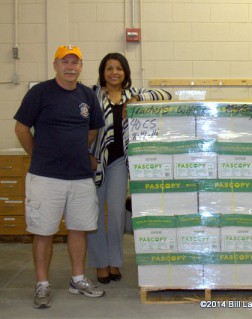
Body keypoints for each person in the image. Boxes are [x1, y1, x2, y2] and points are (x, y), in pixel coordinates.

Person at [14, 45, 106, 309]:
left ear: (81, 66)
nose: (70, 67)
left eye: (74, 62)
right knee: (43, 232)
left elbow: (92, 131)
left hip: (79, 178)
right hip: (45, 178)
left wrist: (78, 152)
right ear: (55, 65)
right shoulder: (40, 93)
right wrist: (38, 154)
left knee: (79, 229)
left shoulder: (87, 95)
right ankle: (42, 285)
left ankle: (77, 279)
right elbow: (21, 128)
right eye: (64, 62)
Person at [87, 53, 171, 284]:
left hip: (118, 164)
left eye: (119, 68)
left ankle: (114, 261)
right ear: (102, 72)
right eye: (109, 68)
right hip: (95, 162)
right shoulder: (91, 94)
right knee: (94, 216)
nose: (114, 72)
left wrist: (135, 101)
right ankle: (100, 264)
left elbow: (166, 94)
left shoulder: (131, 94)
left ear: (125, 72)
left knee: (115, 215)